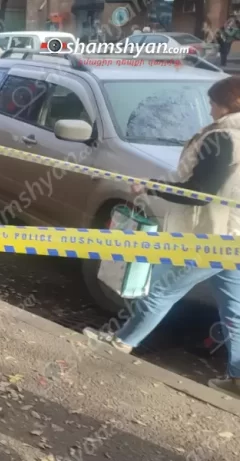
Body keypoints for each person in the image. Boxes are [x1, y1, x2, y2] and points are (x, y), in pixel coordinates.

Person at [85, 76, 240, 399]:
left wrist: (151, 187)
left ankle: (120, 343)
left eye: (213, 102)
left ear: (229, 104)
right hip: (233, 236)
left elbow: (200, 192)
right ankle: (238, 379)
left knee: (158, 290)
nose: (210, 108)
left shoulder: (223, 136)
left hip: (209, 236)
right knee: (234, 311)